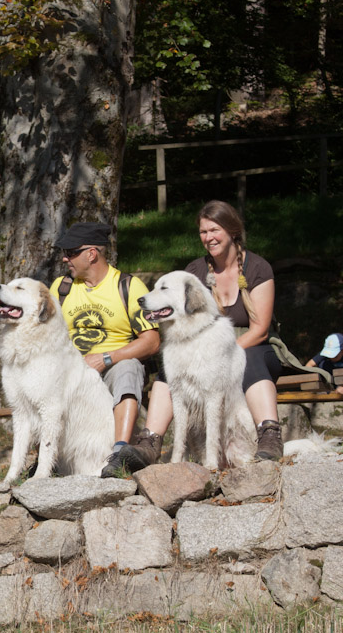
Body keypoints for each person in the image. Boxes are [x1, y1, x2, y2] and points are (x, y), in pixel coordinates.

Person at [119, 200, 284, 470]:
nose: (208, 238)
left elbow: (261, 329)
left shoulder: (257, 268)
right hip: (204, 348)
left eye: (214, 230)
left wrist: (217, 354)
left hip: (253, 345)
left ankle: (269, 434)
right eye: (203, 232)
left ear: (232, 231)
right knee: (168, 368)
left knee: (250, 357)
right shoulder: (195, 270)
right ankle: (150, 441)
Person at [49, 223, 160, 479]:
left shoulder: (128, 286)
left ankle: (120, 454)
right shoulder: (61, 288)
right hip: (69, 370)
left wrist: (105, 358)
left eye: (71, 252)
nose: (65, 258)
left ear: (91, 254)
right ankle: (48, 458)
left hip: (111, 366)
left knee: (129, 366)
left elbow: (151, 341)